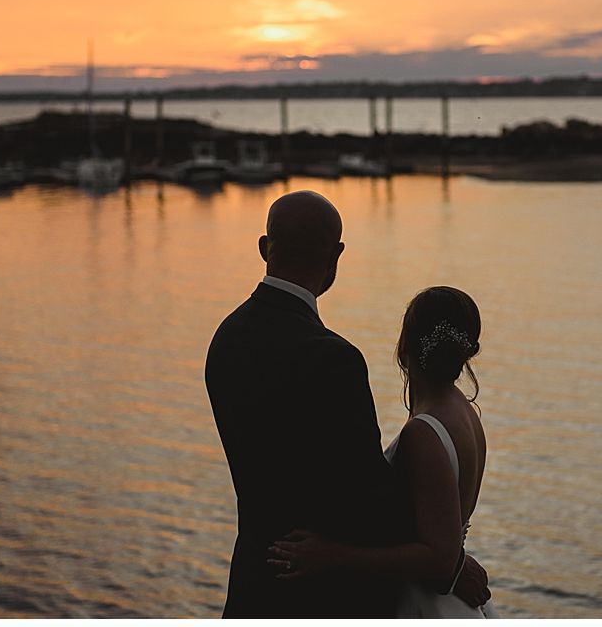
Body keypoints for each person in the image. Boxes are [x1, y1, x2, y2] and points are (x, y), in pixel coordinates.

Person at [205, 191, 490, 618]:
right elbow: (368, 496)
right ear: (335, 256)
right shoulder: (332, 357)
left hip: (254, 585)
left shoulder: (224, 339)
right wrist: (446, 563)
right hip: (327, 595)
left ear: (265, 248)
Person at [266, 286, 498, 618]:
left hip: (425, 605)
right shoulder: (464, 413)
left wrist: (328, 554)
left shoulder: (424, 432)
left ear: (406, 345)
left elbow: (438, 558)